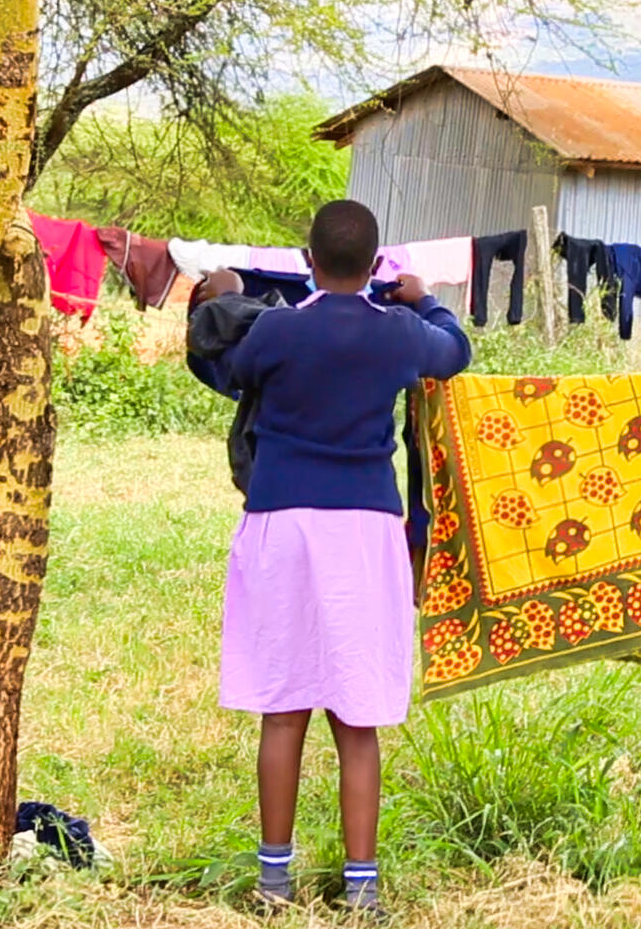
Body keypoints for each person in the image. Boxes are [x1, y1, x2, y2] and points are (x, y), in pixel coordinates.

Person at [197, 200, 471, 916]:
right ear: (378, 265)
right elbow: (456, 351)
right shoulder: (401, 335)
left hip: (282, 524)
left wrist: (228, 296)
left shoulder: (281, 328)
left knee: (284, 711)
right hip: (364, 532)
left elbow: (228, 362)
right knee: (356, 721)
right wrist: (428, 300)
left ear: (308, 261)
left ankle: (273, 882)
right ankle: (362, 891)